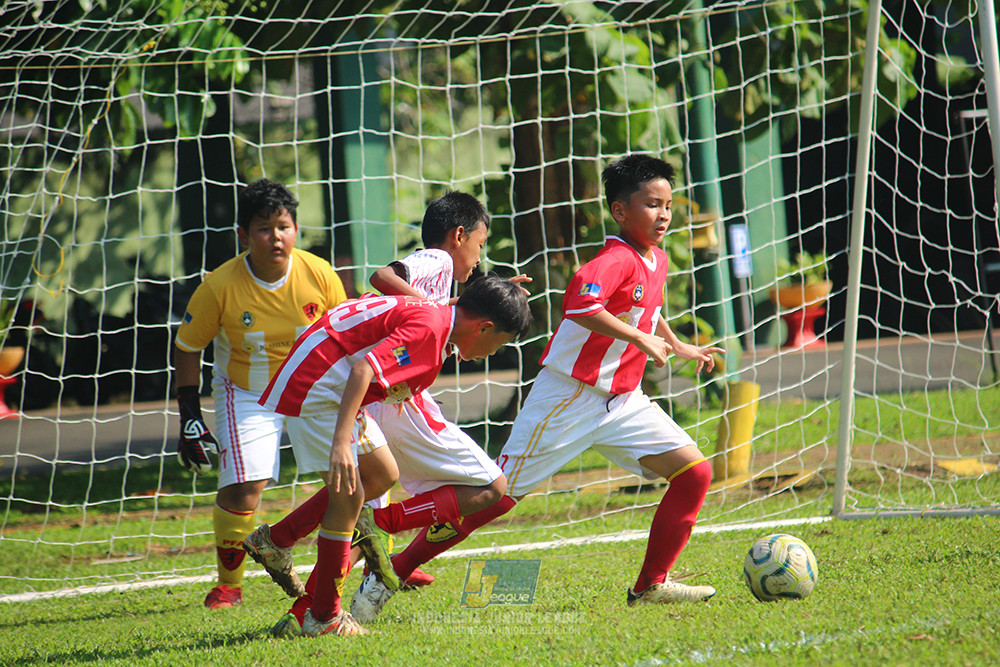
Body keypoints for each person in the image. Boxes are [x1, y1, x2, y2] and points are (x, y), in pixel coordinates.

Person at [350, 153, 725, 623]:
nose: (664, 215)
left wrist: (676, 344)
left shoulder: (656, 258)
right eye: (652, 205)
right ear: (620, 211)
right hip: (569, 397)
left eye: (668, 205)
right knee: (494, 497)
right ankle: (391, 561)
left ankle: (651, 583)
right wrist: (640, 338)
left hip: (623, 401)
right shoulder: (613, 259)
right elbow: (580, 304)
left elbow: (642, 309)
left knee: (694, 474)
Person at [258, 190, 532, 636]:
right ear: (460, 235)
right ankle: (325, 611)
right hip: (323, 389)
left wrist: (498, 294)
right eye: (497, 344)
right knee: (486, 488)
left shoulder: (440, 317)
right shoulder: (436, 282)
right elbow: (368, 356)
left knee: (376, 481)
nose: (479, 260)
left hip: (325, 381)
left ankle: (298, 564)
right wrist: (344, 441)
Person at [174, 178, 397, 609]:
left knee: (367, 470)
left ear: (295, 228)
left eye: (283, 226)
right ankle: (229, 586)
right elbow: (187, 347)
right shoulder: (219, 286)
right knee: (244, 487)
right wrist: (188, 413)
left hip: (315, 389)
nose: (275, 237)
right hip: (250, 392)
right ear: (243, 235)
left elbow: (346, 336)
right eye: (263, 228)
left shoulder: (319, 274)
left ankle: (369, 559)